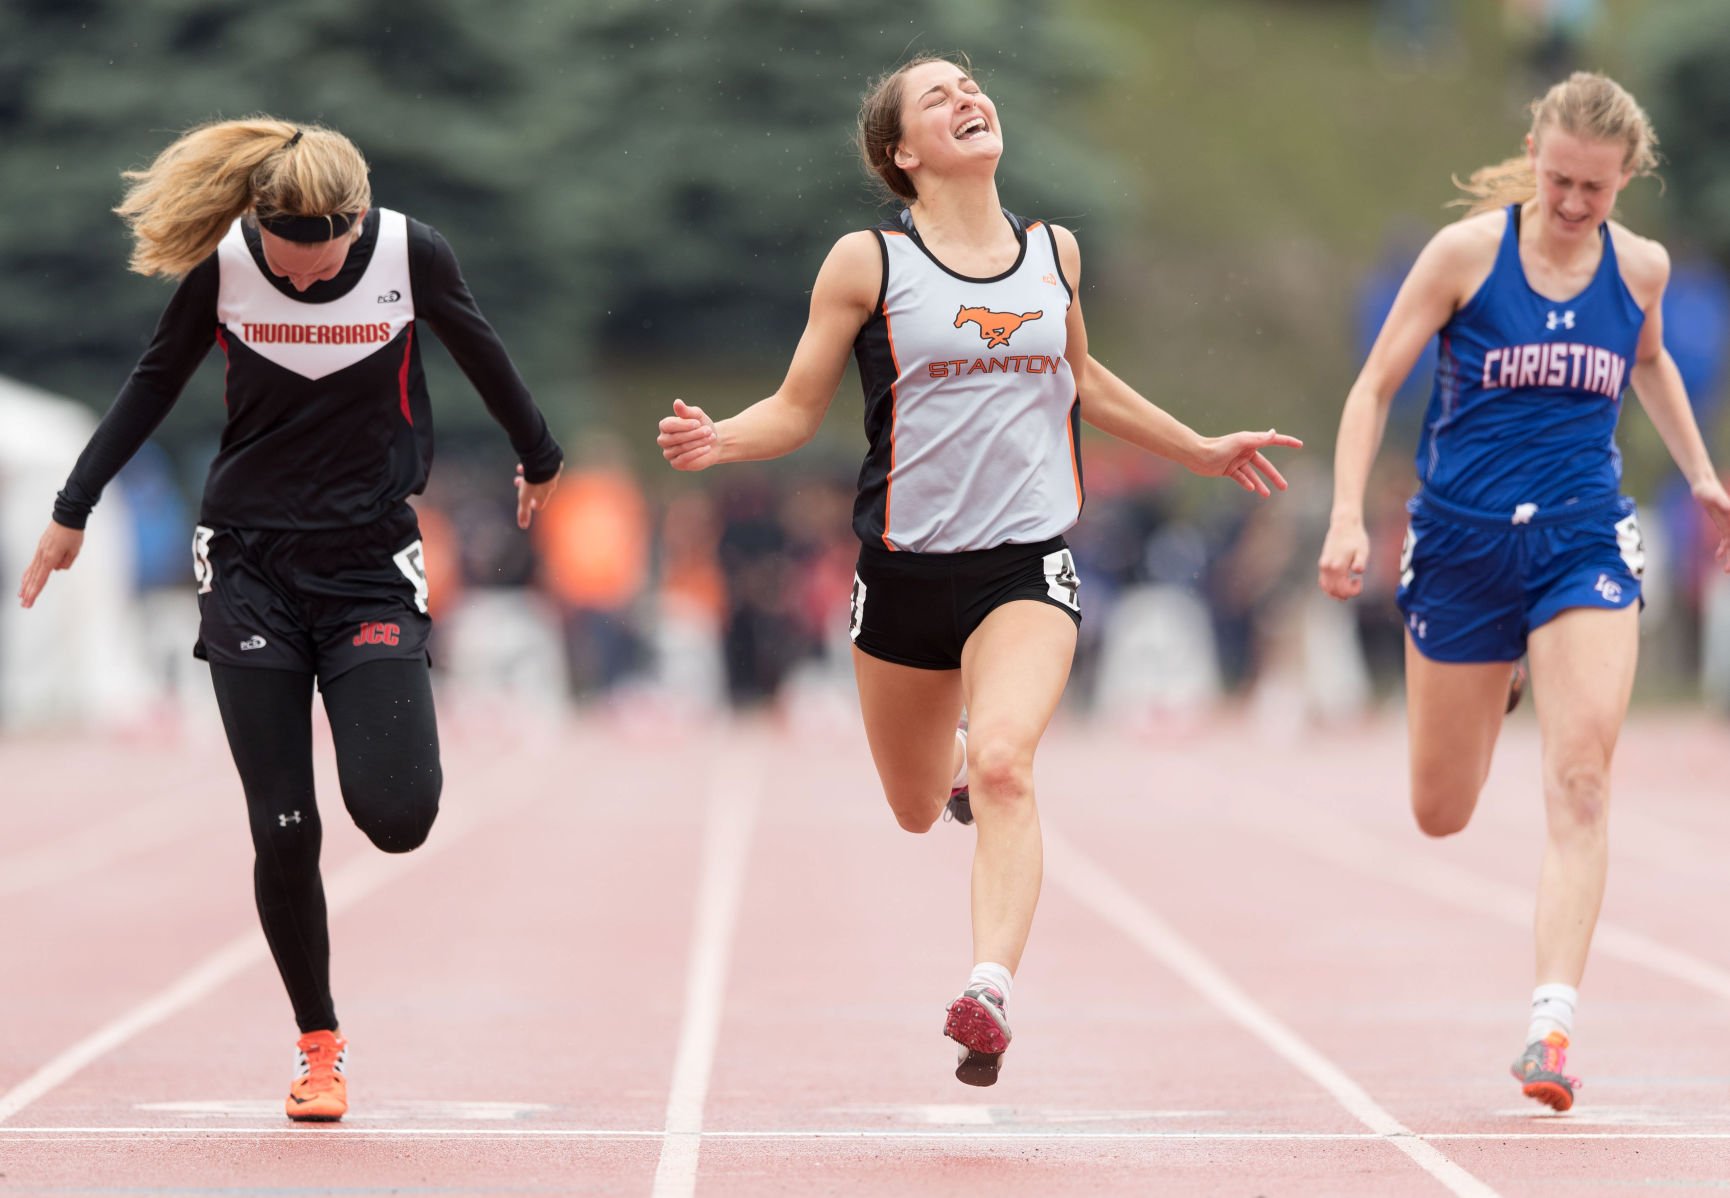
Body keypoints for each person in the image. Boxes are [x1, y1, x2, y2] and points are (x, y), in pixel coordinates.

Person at [657, 53, 1300, 1086]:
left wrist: (1199, 448)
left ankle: (988, 985)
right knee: (917, 805)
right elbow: (793, 405)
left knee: (1007, 762)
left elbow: (1081, 376)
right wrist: (720, 440)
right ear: (902, 153)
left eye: (970, 85)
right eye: (935, 97)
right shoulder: (866, 262)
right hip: (903, 573)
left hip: (1025, 566)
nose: (965, 97)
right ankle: (947, 765)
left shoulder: (1055, 252)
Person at [15, 118, 564, 1121]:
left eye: (320, 263)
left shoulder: (409, 253)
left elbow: (479, 348)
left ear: (353, 226)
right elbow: (149, 386)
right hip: (247, 563)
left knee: (398, 817)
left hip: (366, 568)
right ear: (259, 226)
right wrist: (69, 511)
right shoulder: (229, 265)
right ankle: (318, 1042)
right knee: (283, 826)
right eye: (285, 261)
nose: (303, 280)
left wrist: (539, 450)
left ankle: (334, 982)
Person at [1317, 72, 1730, 1111]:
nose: (1571, 204)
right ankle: (1492, 672)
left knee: (1582, 777)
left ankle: (1548, 1026)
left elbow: (1650, 365)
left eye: (1593, 188)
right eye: (1556, 180)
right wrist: (1340, 516)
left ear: (1623, 178)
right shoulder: (1464, 255)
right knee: (1439, 811)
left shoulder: (1637, 268)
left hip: (1579, 540)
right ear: (1533, 157)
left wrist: (1699, 473)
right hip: (1456, 546)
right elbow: (1372, 387)